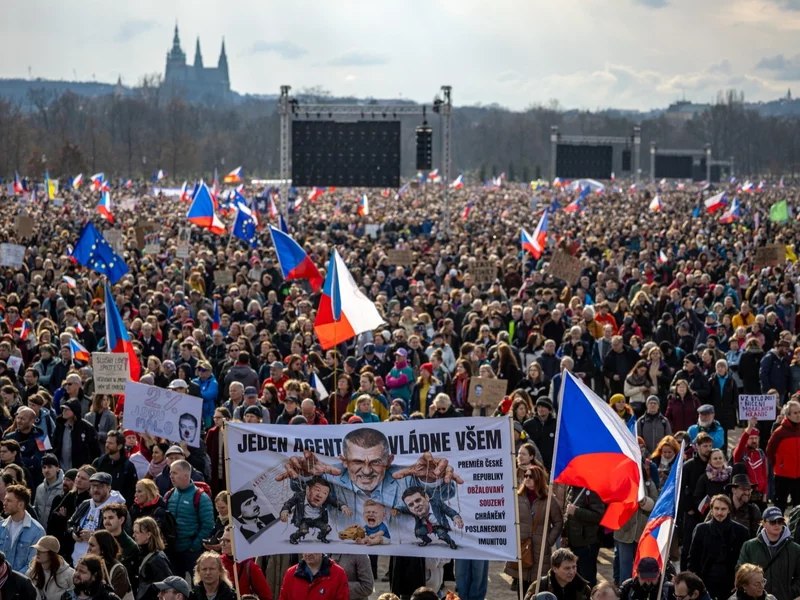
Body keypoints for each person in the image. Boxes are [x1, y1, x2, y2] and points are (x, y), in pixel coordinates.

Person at [505, 465, 563, 593]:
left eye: (531, 476)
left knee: (537, 587)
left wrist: (548, 541)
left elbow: (558, 522)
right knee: (522, 586)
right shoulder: (517, 498)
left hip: (540, 550)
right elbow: (509, 519)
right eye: (525, 476)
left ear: (538, 479)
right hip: (522, 547)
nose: (527, 479)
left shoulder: (549, 500)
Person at [689, 494, 749, 600]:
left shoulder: (741, 532)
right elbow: (693, 557)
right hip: (705, 581)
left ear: (729, 510)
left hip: (730, 582)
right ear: (711, 510)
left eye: (723, 509)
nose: (719, 513)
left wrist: (740, 581)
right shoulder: (701, 529)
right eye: (716, 508)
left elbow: (745, 561)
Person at [737, 507, 800, 600]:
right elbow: (740, 572)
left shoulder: (795, 548)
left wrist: (790, 592)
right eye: (773, 521)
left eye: (780, 521)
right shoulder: (749, 546)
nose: (777, 525)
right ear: (763, 523)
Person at [165, 460, 214, 579]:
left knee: (197, 586)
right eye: (171, 473)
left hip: (192, 552)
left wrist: (194, 546)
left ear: (186, 475)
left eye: (175, 473)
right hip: (173, 551)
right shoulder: (170, 494)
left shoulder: (201, 497)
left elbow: (208, 525)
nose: (171, 476)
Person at [68, 472, 126, 566]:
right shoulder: (86, 504)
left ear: (109, 487)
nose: (95, 489)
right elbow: (70, 523)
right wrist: (73, 533)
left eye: (100, 486)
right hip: (77, 562)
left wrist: (93, 536)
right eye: (93, 486)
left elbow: (119, 534)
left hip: (100, 565)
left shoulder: (117, 508)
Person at [563, 485, 605, 587]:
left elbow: (598, 516)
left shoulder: (593, 489)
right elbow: (567, 515)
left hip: (587, 543)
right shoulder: (572, 487)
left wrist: (576, 511)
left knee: (587, 580)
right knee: (574, 580)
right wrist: (565, 534)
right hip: (573, 542)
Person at [0, 484, 45, 572]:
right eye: (5, 500)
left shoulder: (37, 531)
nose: (4, 503)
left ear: (20, 505)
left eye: (9, 501)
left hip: (20, 583)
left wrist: (13, 580)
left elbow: (32, 564)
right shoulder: (1, 527)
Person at [219, 527, 272, 600]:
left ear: (238, 542)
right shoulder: (217, 563)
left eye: (227, 541)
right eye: (222, 540)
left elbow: (266, 597)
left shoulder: (249, 566)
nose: (222, 544)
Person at [765, 400, 800, 512]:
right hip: (782, 476)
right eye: (795, 413)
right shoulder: (779, 432)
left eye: (799, 412)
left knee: (798, 507)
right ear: (788, 415)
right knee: (779, 505)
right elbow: (769, 451)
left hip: (799, 475)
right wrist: (779, 465)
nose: (798, 415)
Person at [92, 431, 138, 508]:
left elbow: (131, 492)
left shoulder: (128, 466)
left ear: (119, 446)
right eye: (107, 442)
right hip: (97, 506)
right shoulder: (98, 462)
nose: (107, 445)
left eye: (111, 443)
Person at [525, 548, 592, 600]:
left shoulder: (583, 588)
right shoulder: (539, 586)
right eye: (567, 568)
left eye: (574, 567)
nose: (572, 572)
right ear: (555, 569)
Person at [132, 517, 173, 600]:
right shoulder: (142, 554)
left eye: (137, 532)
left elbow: (166, 586)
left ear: (148, 535)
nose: (133, 535)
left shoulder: (157, 559)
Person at [278, 553, 348, 600]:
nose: (308, 554)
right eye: (305, 548)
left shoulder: (338, 573)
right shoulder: (290, 573)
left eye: (313, 549)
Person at [87, 530, 133, 600]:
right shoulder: (91, 566)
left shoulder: (118, 570)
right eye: (88, 544)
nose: (88, 549)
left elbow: (114, 598)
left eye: (92, 545)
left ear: (103, 548)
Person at [102, 503, 139, 588]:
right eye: (104, 518)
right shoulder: (100, 540)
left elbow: (128, 576)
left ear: (121, 520)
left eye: (111, 518)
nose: (106, 522)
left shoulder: (130, 546)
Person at [27, 535, 74, 600]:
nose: (37, 553)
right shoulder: (31, 572)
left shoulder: (69, 574)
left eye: (42, 551)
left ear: (51, 554)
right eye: (37, 549)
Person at [524, 398, 557, 471]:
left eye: (543, 407)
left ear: (549, 410)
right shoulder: (528, 425)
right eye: (539, 407)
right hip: (533, 464)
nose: (540, 409)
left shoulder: (556, 424)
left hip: (551, 465)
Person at [35, 454, 64, 528]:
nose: (46, 470)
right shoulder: (39, 488)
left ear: (57, 468)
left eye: (50, 467)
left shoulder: (64, 488)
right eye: (44, 467)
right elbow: (36, 510)